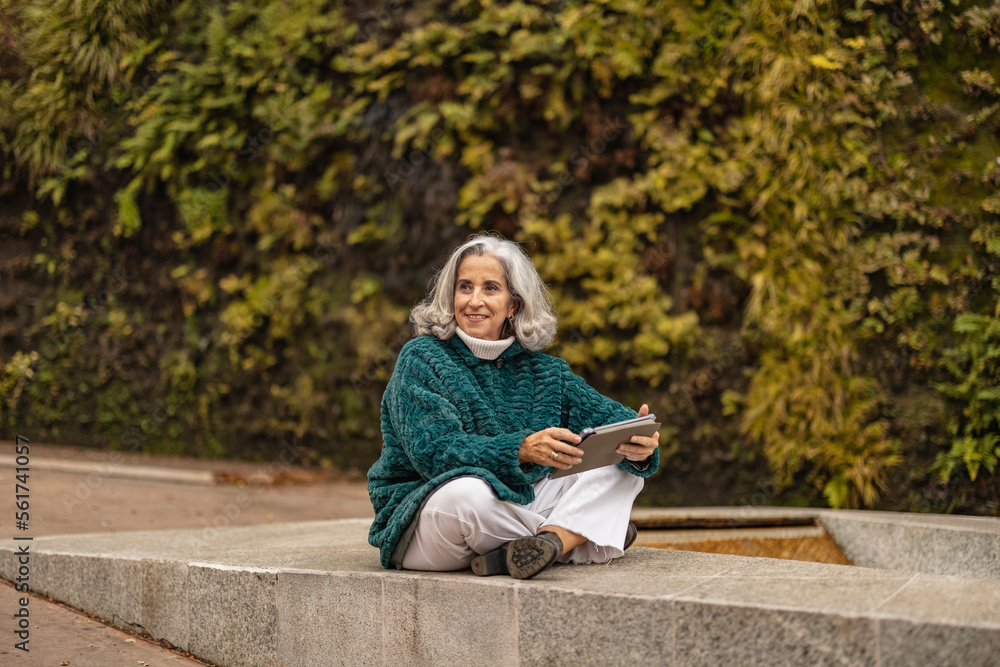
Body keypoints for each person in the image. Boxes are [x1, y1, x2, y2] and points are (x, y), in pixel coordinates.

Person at [367, 234, 661, 579]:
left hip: (514, 504)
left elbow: (612, 422)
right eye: (465, 287)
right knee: (468, 494)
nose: (474, 300)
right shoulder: (422, 358)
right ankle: (581, 535)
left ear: (514, 305)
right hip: (428, 514)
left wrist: (639, 442)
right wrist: (520, 449)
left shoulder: (546, 371)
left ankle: (551, 542)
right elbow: (435, 452)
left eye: (490, 288)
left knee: (618, 469)